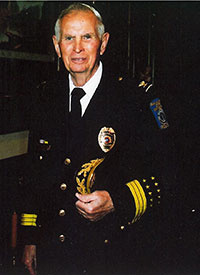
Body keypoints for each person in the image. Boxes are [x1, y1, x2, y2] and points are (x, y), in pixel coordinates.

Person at [19, 3, 167, 275]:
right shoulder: (44, 97)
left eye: (87, 37)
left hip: (111, 254)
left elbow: (170, 173)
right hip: (54, 252)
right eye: (68, 38)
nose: (77, 48)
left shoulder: (136, 99)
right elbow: (33, 175)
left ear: (103, 42)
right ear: (56, 44)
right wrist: (30, 239)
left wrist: (117, 201)